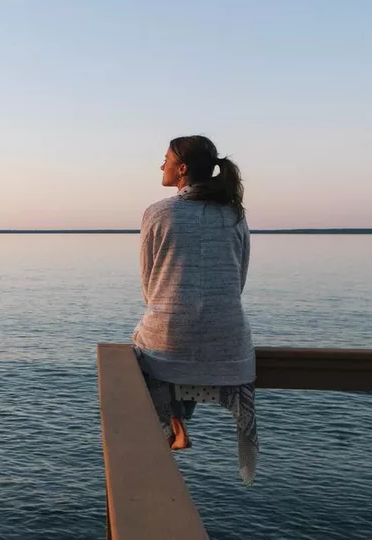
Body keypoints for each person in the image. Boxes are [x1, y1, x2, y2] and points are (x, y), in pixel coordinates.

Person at [133, 134, 258, 483]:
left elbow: (149, 284)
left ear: (182, 169)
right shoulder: (234, 214)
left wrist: (169, 308)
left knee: (153, 346)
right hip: (230, 343)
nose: (161, 165)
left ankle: (175, 423)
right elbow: (240, 278)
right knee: (180, 345)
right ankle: (179, 421)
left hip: (169, 339)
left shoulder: (158, 212)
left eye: (166, 159)